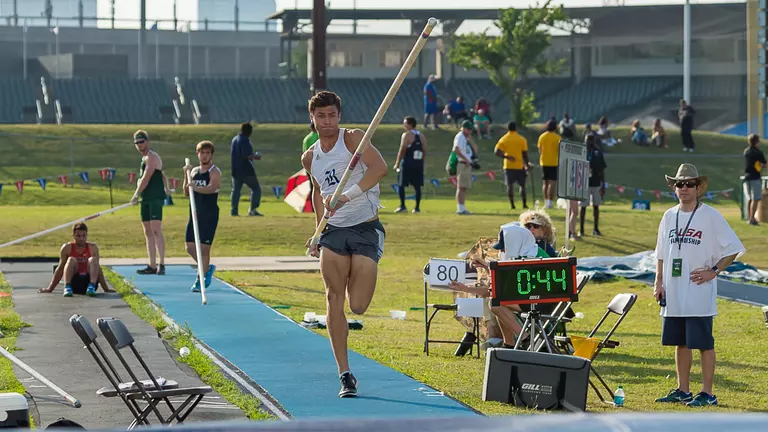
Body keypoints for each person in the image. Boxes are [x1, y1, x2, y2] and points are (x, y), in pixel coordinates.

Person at [301, 91, 388, 398]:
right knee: (332, 297)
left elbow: (379, 170)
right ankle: (345, 374)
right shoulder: (310, 157)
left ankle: (356, 271)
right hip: (333, 232)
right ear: (312, 118)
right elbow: (316, 192)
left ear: (339, 115)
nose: (327, 122)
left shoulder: (353, 140)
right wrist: (317, 231)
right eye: (321, 116)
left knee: (358, 305)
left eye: (332, 115)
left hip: (365, 228)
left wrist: (348, 195)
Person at [654, 163, 745, 407]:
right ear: (674, 188)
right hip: (673, 291)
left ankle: (707, 393)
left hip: (698, 290)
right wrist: (659, 281)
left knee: (703, 343)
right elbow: (661, 252)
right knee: (680, 342)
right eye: (679, 184)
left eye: (689, 184)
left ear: (698, 188)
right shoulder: (668, 215)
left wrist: (713, 271)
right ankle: (683, 390)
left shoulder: (710, 215)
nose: (683, 188)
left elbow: (734, 248)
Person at [448, 225, 548, 348]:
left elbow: (499, 290)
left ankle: (525, 339)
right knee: (498, 300)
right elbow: (494, 289)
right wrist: (465, 288)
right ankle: (510, 344)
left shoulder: (531, 259)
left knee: (497, 302)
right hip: (531, 299)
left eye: (504, 248)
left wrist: (489, 269)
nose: (502, 252)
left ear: (514, 243)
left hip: (542, 302)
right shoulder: (523, 253)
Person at [183, 140, 222, 293]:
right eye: (202, 153)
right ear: (197, 154)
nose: (205, 155)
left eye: (208, 153)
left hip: (209, 213)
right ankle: (207, 268)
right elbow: (186, 192)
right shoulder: (194, 172)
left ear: (211, 155)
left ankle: (201, 279)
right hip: (195, 213)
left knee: (204, 249)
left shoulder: (214, 171)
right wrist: (186, 175)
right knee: (190, 247)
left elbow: (212, 188)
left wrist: (196, 187)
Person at [39, 223, 113, 296]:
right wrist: (50, 289)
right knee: (71, 259)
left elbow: (98, 269)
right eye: (78, 236)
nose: (81, 239)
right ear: (73, 236)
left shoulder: (93, 248)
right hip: (74, 284)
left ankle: (91, 286)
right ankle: (67, 287)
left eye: (84, 235)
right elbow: (61, 268)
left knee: (93, 260)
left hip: (88, 282)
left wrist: (106, 289)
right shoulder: (67, 248)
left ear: (87, 235)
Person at [131, 130, 168, 276]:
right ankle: (152, 264)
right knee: (147, 231)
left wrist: (135, 194)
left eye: (142, 141)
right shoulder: (144, 158)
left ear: (147, 141)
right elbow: (160, 175)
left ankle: (162, 263)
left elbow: (147, 177)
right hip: (145, 198)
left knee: (156, 229)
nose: (140, 145)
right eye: (137, 143)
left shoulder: (152, 157)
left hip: (154, 197)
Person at [494, 121, 531, 210]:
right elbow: (525, 154)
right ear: (516, 128)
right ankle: (524, 204)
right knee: (522, 185)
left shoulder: (504, 139)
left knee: (510, 185)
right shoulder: (521, 139)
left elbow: (496, 151)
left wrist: (506, 156)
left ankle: (512, 205)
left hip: (508, 166)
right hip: (519, 165)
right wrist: (527, 165)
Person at [393, 116, 426, 213]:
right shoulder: (422, 136)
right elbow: (424, 151)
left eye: (405, 123)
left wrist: (397, 163)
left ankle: (403, 206)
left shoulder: (406, 135)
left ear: (410, 124)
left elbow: (402, 150)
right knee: (417, 186)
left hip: (407, 163)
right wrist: (422, 163)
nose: (404, 125)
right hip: (418, 164)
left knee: (401, 185)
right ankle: (417, 208)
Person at [230, 122, 263, 217]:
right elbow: (245, 155)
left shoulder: (235, 139)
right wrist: (255, 156)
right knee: (256, 189)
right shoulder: (245, 140)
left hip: (235, 169)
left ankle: (234, 211)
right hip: (246, 170)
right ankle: (252, 210)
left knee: (236, 191)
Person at [579, 134, 607, 237]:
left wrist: (603, 184)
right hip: (584, 184)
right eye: (587, 140)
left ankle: (595, 228)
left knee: (596, 206)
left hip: (596, 183)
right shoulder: (582, 151)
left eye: (591, 140)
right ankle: (581, 230)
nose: (589, 142)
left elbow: (602, 169)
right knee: (583, 207)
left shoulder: (598, 152)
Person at [453, 120, 478, 215]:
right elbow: (456, 149)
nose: (470, 131)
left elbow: (475, 149)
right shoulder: (460, 137)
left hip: (466, 164)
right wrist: (466, 159)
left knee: (464, 187)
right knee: (461, 186)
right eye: (468, 129)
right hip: (462, 163)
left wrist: (470, 139)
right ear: (463, 128)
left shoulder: (466, 138)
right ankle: (460, 208)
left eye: (471, 129)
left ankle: (462, 207)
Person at [743, 134, 766, 226]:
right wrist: (761, 165)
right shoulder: (758, 152)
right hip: (755, 177)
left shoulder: (746, 151)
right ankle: (752, 219)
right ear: (756, 142)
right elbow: (765, 164)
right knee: (755, 199)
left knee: (749, 199)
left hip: (747, 177)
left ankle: (749, 217)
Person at [538, 120, 560, 209]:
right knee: (552, 183)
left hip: (543, 162)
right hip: (553, 162)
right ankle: (550, 202)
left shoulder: (542, 137)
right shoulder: (557, 138)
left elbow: (540, 149)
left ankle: (546, 202)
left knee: (545, 183)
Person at [303, 122, 320, 211]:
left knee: (313, 187)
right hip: (318, 165)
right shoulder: (318, 136)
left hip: (308, 166)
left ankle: (314, 208)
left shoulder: (306, 139)